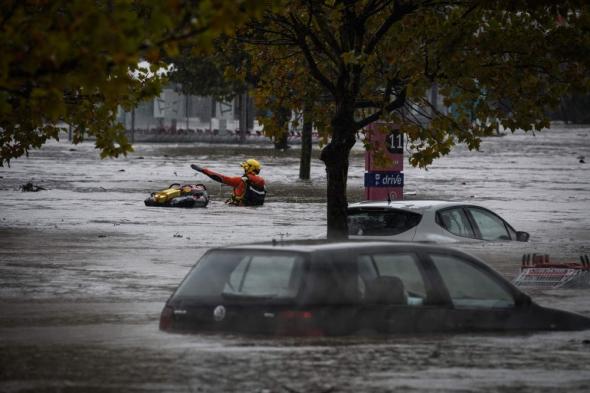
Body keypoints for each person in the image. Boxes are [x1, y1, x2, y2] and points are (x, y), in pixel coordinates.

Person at [191, 159, 266, 206]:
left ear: (248, 168)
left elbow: (221, 178)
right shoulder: (262, 183)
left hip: (237, 209)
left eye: (244, 167)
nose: (243, 169)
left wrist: (204, 171)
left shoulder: (242, 180)